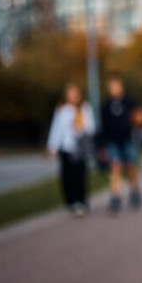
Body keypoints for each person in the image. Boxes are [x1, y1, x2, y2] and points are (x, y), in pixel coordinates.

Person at [46, 83, 95, 217]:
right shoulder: (62, 110)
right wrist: (52, 146)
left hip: (80, 147)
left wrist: (82, 127)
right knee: (67, 176)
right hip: (66, 147)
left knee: (80, 175)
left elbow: (91, 128)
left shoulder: (85, 108)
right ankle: (71, 202)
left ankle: (81, 201)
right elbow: (56, 129)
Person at [99, 73, 142, 214]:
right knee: (115, 167)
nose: (114, 88)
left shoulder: (129, 101)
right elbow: (103, 127)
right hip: (112, 141)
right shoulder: (106, 106)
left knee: (131, 166)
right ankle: (115, 197)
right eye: (111, 86)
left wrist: (140, 120)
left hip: (127, 139)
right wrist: (102, 146)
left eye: (116, 85)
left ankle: (135, 191)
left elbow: (139, 116)